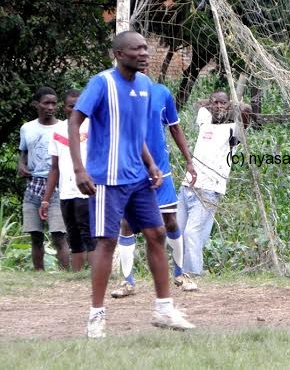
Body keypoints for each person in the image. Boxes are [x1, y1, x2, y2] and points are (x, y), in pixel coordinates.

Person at [69, 31, 194, 338]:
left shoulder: (146, 86)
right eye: (137, 48)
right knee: (108, 242)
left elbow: (133, 134)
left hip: (139, 177)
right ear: (119, 54)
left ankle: (164, 309)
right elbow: (74, 122)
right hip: (107, 179)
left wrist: (151, 163)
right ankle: (96, 316)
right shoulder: (102, 83)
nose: (144, 53)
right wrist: (79, 169)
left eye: (145, 48)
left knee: (157, 233)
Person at [111, 67, 198, 298]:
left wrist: (189, 161)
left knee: (170, 221)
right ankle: (127, 281)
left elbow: (175, 128)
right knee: (127, 224)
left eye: (142, 65)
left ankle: (180, 273)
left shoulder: (162, 93)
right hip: (131, 170)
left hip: (161, 171)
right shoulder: (118, 93)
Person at [177, 91, 251, 283]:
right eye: (215, 103)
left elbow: (247, 115)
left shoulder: (232, 132)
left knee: (192, 233)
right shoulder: (204, 123)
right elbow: (201, 107)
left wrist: (238, 106)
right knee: (178, 232)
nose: (219, 106)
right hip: (188, 186)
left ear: (229, 106)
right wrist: (210, 103)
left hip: (210, 189)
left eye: (223, 103)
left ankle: (192, 275)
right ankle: (181, 273)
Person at [39, 90, 95, 271]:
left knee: (89, 234)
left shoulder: (92, 127)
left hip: (87, 191)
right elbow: (54, 168)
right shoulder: (57, 130)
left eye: (79, 106)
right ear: (65, 108)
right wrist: (46, 199)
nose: (75, 109)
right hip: (65, 192)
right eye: (71, 106)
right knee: (73, 235)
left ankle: (95, 273)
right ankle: (77, 275)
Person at [18, 86, 69, 270]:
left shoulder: (63, 127)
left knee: (59, 234)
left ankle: (66, 274)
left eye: (54, 103)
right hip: (33, 186)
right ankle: (39, 273)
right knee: (35, 234)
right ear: (36, 104)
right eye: (46, 103)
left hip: (56, 186)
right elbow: (23, 152)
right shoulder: (27, 128)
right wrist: (22, 165)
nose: (50, 107)